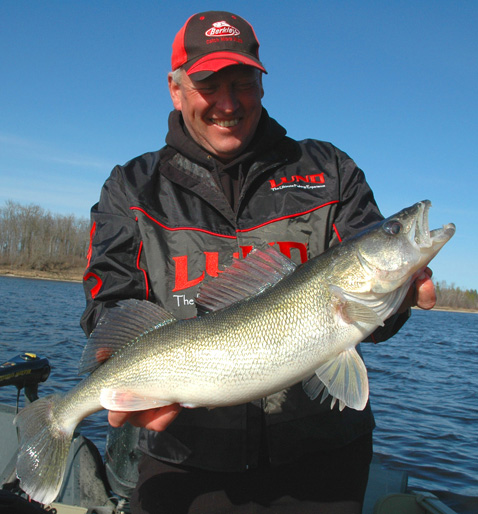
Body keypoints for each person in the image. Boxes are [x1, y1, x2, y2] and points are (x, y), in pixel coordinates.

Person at [81, 10, 436, 514]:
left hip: (322, 462)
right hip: (182, 460)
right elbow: (110, 303)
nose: (228, 102)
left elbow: (371, 318)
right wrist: (116, 374)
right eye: (208, 83)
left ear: (262, 85)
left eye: (242, 81)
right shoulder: (132, 188)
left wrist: (397, 297)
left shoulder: (329, 172)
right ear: (175, 88)